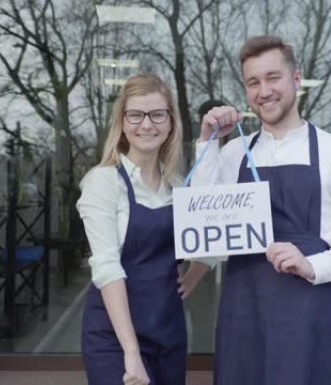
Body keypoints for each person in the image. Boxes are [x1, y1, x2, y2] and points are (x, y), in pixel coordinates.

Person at [190, 36, 331, 385]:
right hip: (241, 313)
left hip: (304, 315)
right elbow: (202, 228)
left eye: (272, 77)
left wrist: (314, 264)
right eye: (253, 82)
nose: (263, 90)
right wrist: (207, 144)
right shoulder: (233, 151)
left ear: (296, 78)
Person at [77, 74, 210, 385]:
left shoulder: (178, 186)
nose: (146, 125)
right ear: (122, 122)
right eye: (135, 115)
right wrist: (131, 352)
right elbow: (107, 268)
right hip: (115, 339)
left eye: (157, 114)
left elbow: (212, 234)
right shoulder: (103, 182)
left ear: (171, 122)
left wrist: (196, 272)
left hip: (168, 331)